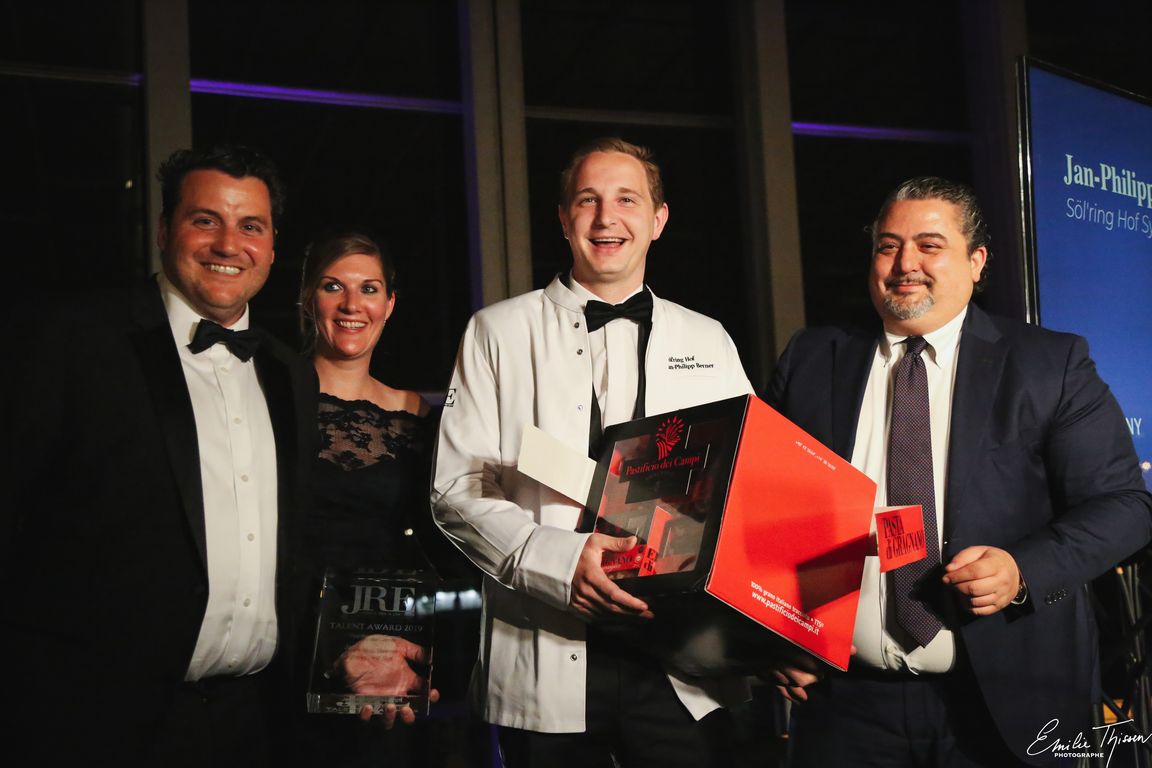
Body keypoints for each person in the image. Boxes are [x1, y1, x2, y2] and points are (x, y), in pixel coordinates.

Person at [765, 177, 1152, 766]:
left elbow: (1125, 506)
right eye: (888, 246)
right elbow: (763, 509)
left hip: (1008, 701)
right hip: (844, 705)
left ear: (976, 262)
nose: (905, 264)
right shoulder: (812, 359)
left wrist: (1022, 569)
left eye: (929, 245)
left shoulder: (1049, 364)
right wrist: (773, 632)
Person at [432, 137, 753, 768]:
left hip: (682, 663)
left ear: (658, 220)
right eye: (588, 200)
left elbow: (745, 486)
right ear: (563, 217)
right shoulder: (496, 331)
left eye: (627, 200)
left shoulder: (708, 338)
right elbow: (456, 488)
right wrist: (557, 561)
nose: (607, 218)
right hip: (544, 647)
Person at [5, 145, 316, 765]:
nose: (229, 244)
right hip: (93, 722)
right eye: (205, 220)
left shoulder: (290, 373)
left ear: (272, 246)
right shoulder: (74, 339)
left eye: (250, 226)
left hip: (252, 724)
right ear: (163, 230)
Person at [289, 231, 440, 765]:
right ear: (308, 298)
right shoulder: (270, 395)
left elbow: (433, 549)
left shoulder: (419, 416)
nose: (352, 305)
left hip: (381, 657)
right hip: (282, 648)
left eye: (369, 289)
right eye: (333, 286)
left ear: (389, 304)